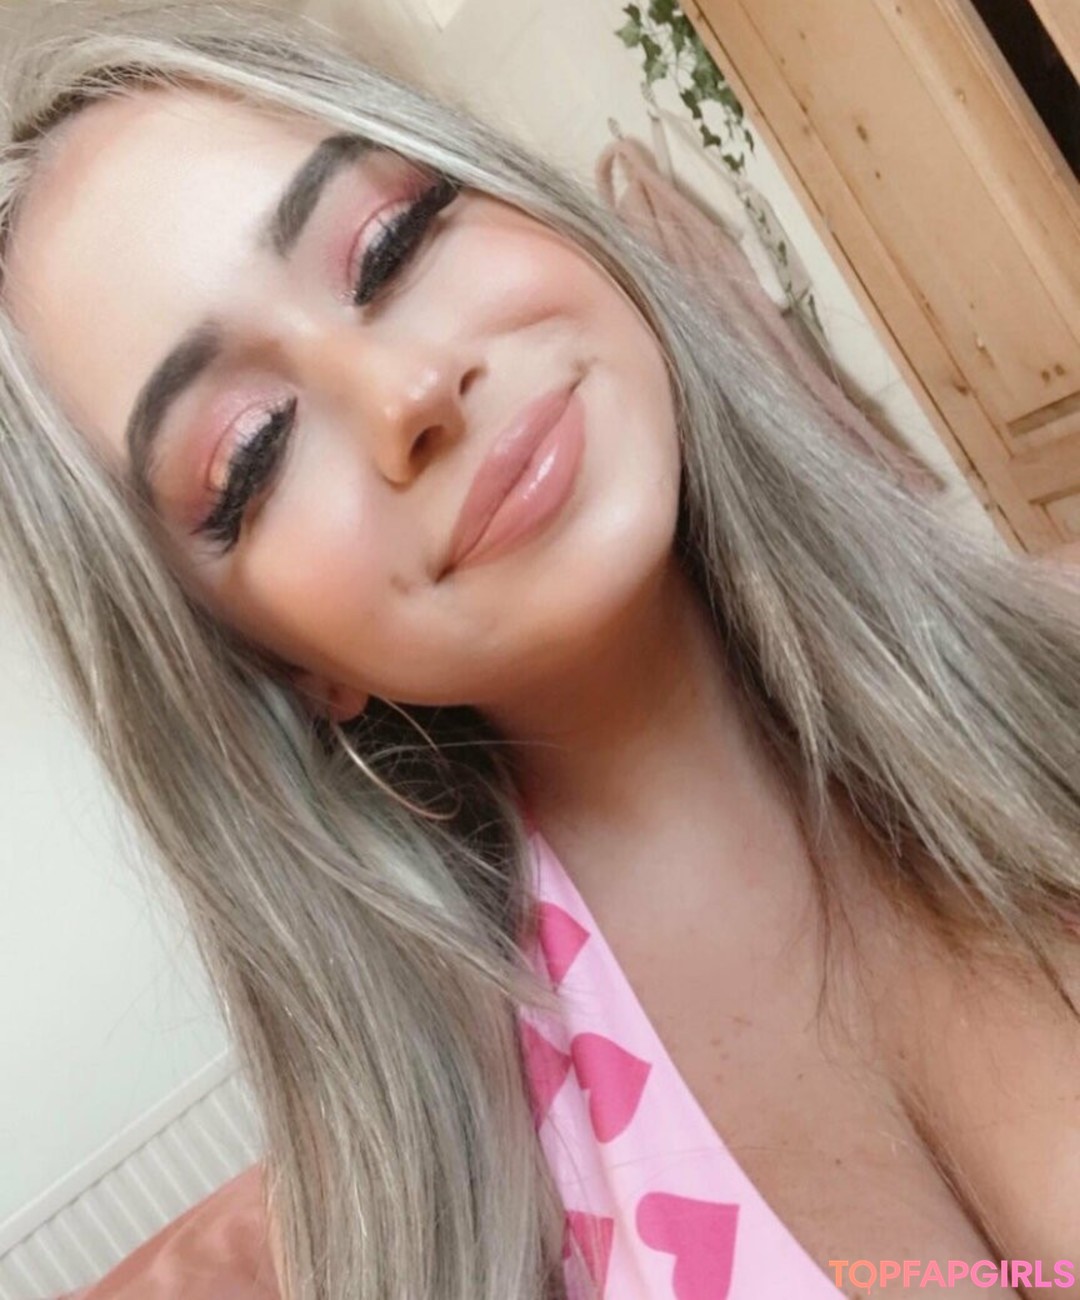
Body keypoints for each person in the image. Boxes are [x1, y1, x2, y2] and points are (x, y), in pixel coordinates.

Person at [1, 2, 1079, 1298]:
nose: (406, 393)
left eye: (391, 241)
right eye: (252, 454)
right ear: (286, 666)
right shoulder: (474, 1234)